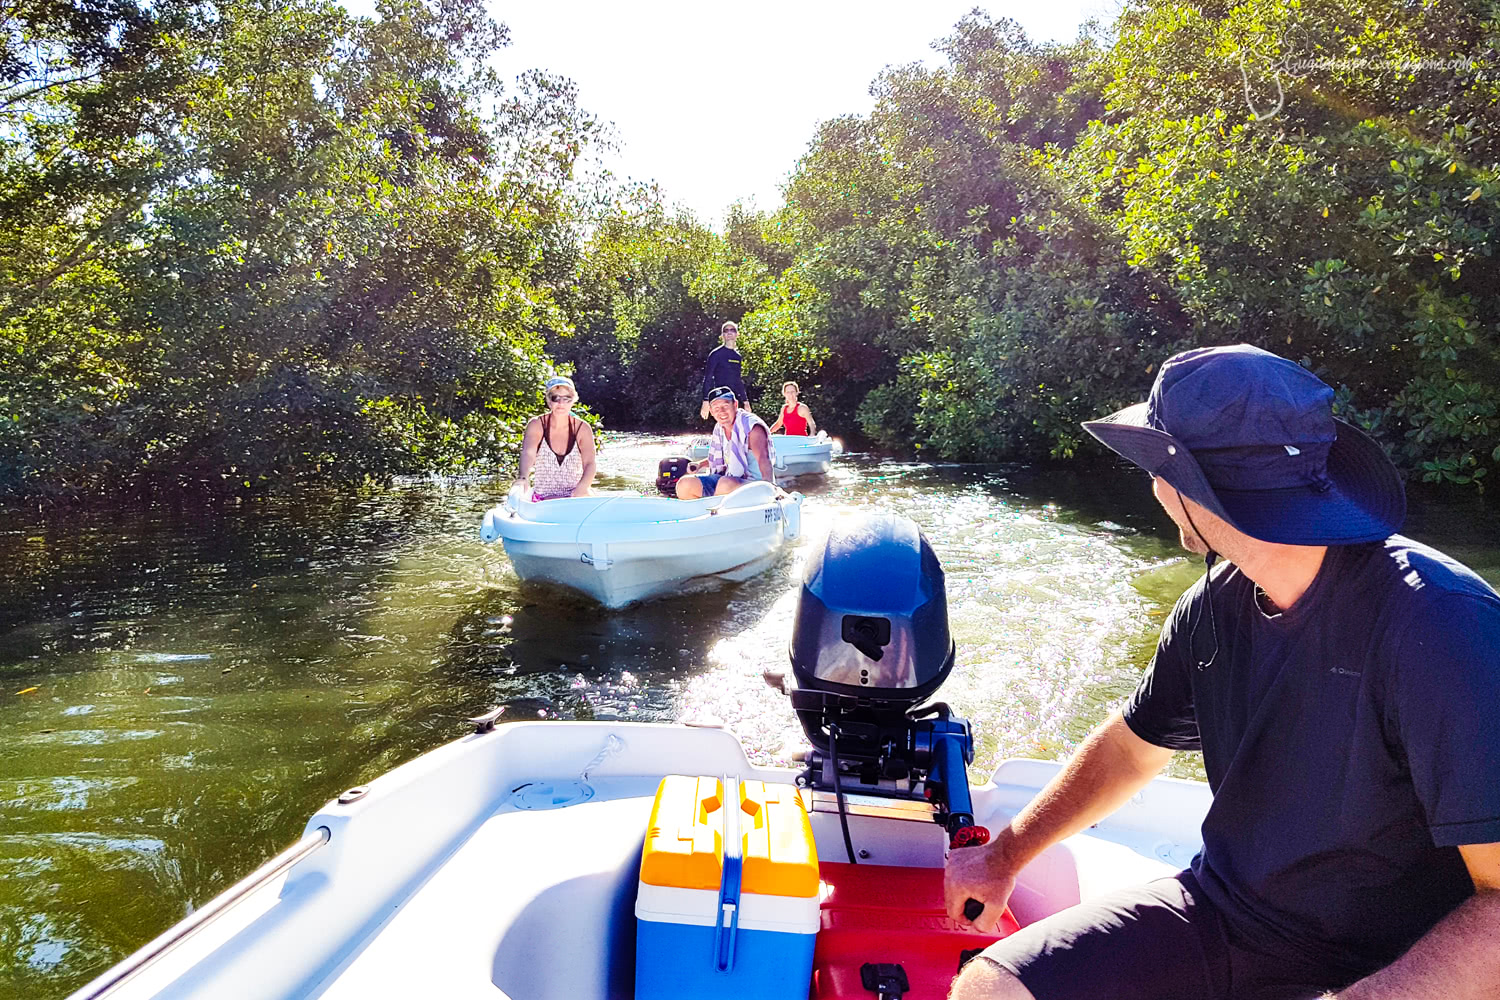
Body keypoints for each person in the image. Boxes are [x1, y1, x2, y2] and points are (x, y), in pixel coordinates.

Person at [945, 344, 1500, 1000]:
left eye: (1157, 470)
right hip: (1224, 913)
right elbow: (1130, 749)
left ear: (1195, 491)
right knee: (992, 989)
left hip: (1398, 962)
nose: (1153, 487)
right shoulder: (1210, 607)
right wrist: (1004, 856)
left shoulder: (1441, 626)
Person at [676, 386, 776, 498]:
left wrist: (769, 488)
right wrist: (700, 464)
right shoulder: (719, 428)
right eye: (716, 408)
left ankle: (715, 506)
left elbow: (763, 458)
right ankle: (708, 507)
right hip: (726, 479)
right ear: (711, 412)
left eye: (725, 406)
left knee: (724, 484)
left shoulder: (751, 427)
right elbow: (726, 456)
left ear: (735, 405)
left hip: (754, 484)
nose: (722, 412)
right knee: (684, 484)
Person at [512, 376, 596, 500]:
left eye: (567, 398)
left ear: (573, 400)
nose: (561, 403)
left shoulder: (583, 428)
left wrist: (582, 487)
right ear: (548, 400)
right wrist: (523, 478)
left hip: (576, 497)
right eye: (555, 398)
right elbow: (528, 453)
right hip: (543, 497)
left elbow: (590, 463)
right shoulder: (536, 424)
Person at [699, 321, 750, 420]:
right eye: (726, 330)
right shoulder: (716, 354)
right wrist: (705, 400)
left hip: (734, 398)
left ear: (737, 334)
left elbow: (738, 380)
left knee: (737, 423)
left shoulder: (737, 356)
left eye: (732, 330)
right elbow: (708, 378)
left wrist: (745, 401)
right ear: (722, 335)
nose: (729, 332)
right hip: (720, 396)